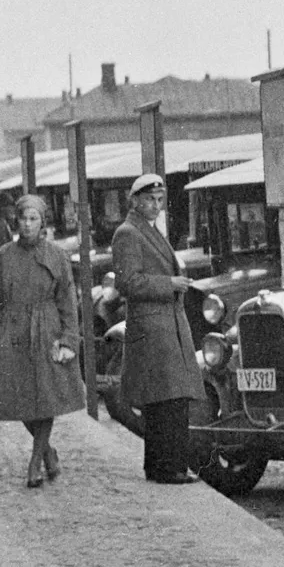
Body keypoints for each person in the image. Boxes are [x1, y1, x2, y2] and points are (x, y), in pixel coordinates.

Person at [0, 194, 87, 489]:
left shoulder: (56, 256)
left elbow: (67, 302)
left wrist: (68, 339)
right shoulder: (4, 256)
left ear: (42, 223)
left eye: (33, 219)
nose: (27, 225)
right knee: (19, 397)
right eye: (23, 219)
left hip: (47, 331)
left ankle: (34, 463)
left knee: (46, 397)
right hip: (13, 334)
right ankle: (48, 451)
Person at [111, 173, 201, 484]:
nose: (155, 205)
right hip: (153, 326)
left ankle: (168, 465)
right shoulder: (128, 233)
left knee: (170, 398)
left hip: (165, 324)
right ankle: (167, 468)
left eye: (160, 200)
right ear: (134, 200)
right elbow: (128, 282)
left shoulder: (146, 230)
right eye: (150, 199)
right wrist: (169, 283)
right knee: (165, 399)